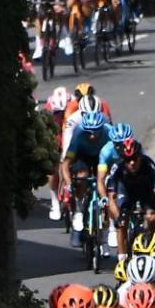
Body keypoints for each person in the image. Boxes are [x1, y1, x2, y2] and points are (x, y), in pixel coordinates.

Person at [62, 112, 110, 244]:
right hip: (82, 155)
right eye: (89, 132)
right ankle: (79, 209)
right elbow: (66, 164)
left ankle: (106, 225)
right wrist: (69, 184)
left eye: (96, 132)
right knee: (82, 175)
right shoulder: (78, 134)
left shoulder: (109, 132)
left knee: (108, 182)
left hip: (102, 156)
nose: (92, 136)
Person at [44, 87, 69, 221]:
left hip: (68, 135)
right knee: (52, 169)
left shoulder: (74, 107)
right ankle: (54, 200)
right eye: (57, 113)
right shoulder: (48, 109)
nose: (60, 116)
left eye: (63, 112)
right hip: (54, 137)